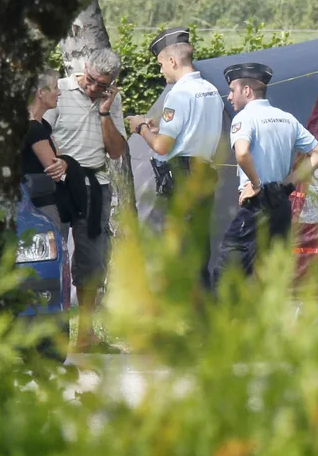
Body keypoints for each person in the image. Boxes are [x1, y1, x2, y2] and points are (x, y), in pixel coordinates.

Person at [43, 47, 127, 353]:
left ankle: (86, 333)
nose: (93, 88)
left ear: (111, 84)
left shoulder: (110, 100)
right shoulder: (60, 91)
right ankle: (51, 331)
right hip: (60, 184)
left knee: (92, 259)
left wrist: (105, 110)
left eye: (101, 85)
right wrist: (60, 163)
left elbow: (117, 150)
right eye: (91, 80)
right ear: (86, 67)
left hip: (96, 184)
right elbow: (41, 132)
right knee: (53, 253)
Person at [213, 62, 318, 286]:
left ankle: (222, 320)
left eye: (232, 90)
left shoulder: (245, 118)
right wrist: (289, 183)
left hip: (257, 204)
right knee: (272, 274)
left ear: (247, 91)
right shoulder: (286, 118)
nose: (229, 97)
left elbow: (242, 152)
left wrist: (255, 184)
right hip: (281, 203)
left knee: (228, 273)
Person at [126, 26, 223, 216]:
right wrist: (161, 129)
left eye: (161, 64)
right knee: (199, 242)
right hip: (205, 176)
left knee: (182, 243)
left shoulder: (178, 94)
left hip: (183, 181)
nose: (161, 71)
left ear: (172, 61)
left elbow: (162, 147)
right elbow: (193, 132)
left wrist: (141, 127)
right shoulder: (210, 89)